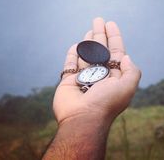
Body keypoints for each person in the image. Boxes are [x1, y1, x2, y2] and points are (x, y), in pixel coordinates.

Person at [43, 17, 142, 160]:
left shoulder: (86, 75)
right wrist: (88, 115)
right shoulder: (91, 74)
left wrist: (82, 117)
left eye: (98, 72)